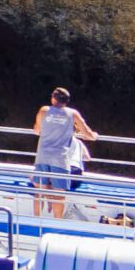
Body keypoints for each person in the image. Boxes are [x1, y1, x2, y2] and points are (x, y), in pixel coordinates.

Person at [31, 88, 98, 217]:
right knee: (59, 194)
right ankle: (57, 222)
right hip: (60, 159)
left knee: (39, 191)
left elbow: (37, 130)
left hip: (43, 156)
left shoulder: (44, 111)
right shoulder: (73, 114)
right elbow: (87, 133)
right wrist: (94, 136)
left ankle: (36, 220)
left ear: (53, 98)